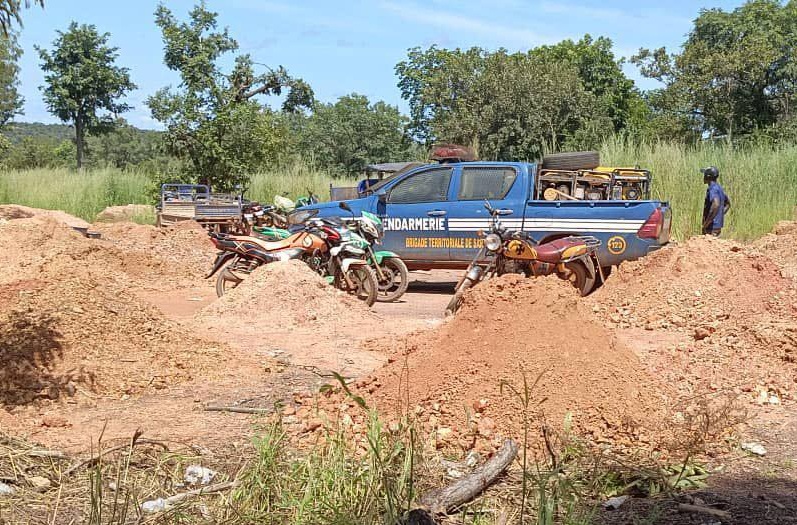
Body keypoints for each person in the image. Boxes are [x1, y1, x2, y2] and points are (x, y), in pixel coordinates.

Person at [701, 166, 731, 236]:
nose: (703, 177)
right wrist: (720, 214)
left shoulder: (712, 189)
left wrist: (706, 224)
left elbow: (716, 204)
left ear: (708, 176)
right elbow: (728, 204)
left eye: (704, 175)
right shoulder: (719, 188)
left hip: (711, 228)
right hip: (717, 228)